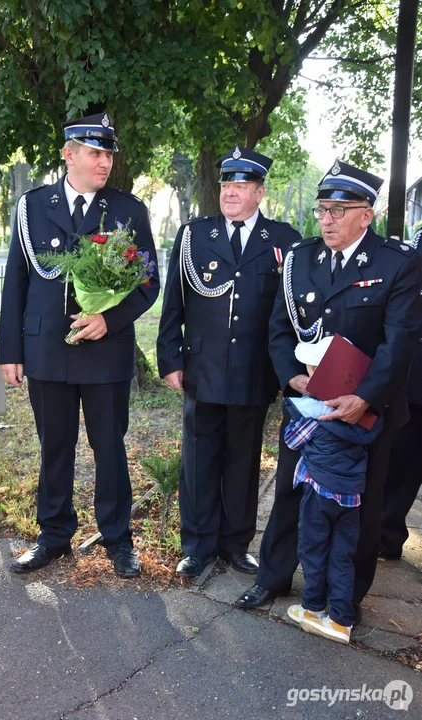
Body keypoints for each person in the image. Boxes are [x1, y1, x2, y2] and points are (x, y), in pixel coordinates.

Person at [236, 159, 422, 616]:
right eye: (322, 209)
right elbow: (279, 328)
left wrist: (365, 397)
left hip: (367, 412)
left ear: (367, 213)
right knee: (289, 491)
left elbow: (399, 341)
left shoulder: (397, 262)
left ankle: (346, 600)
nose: (326, 219)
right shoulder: (301, 259)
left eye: (339, 210)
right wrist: (290, 376)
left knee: (362, 505)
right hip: (308, 403)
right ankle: (273, 579)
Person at [0, 112, 159, 576]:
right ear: (69, 155)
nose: (104, 161)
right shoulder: (32, 207)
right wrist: (11, 351)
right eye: (95, 152)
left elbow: (148, 283)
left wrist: (109, 319)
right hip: (46, 349)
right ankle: (53, 537)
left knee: (109, 447)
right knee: (54, 447)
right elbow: (16, 282)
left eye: (108, 153)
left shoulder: (129, 211)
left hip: (105, 353)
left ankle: (117, 540)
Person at [157, 146, 301, 577]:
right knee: (199, 461)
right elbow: (173, 305)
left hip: (254, 372)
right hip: (202, 368)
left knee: (244, 460)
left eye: (240, 186)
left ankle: (237, 544)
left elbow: (290, 314)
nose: (230, 193)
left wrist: (284, 371)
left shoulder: (283, 240)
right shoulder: (194, 235)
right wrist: (169, 359)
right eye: (225, 185)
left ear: (259, 192)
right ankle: (197, 545)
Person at [284, 338, 382, 644]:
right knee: (343, 557)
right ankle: (341, 620)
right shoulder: (364, 418)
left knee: (313, 551)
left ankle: (312, 608)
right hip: (350, 498)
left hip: (318, 494)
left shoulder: (313, 414)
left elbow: (292, 441)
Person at [379, 228, 422, 560]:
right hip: (411, 377)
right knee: (400, 460)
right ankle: (385, 534)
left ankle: (386, 533)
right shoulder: (413, 249)